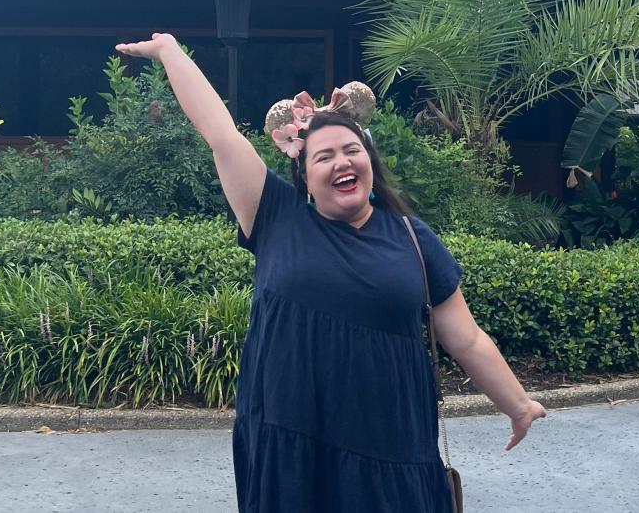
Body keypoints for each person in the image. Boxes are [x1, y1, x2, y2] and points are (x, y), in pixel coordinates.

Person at [116, 33, 546, 513]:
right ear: (305, 174)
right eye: (324, 156)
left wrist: (518, 405)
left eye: (351, 150)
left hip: (392, 447)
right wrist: (171, 51)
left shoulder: (412, 238)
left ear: (369, 161)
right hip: (292, 440)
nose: (341, 161)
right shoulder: (275, 216)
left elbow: (465, 339)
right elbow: (219, 132)